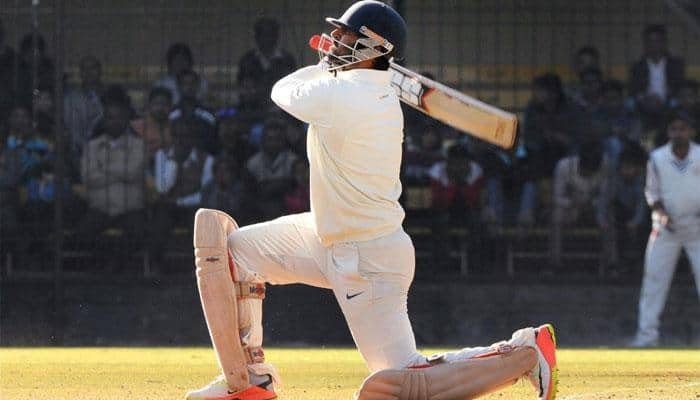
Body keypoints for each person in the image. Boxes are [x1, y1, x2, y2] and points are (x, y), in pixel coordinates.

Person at [185, 2, 558, 400]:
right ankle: (249, 381)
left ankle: (524, 353)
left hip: (368, 259)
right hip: (327, 235)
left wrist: (319, 68)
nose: (334, 43)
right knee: (234, 253)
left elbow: (281, 91)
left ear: (375, 48)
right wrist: (336, 67)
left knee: (403, 383)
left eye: (346, 37)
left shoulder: (346, 93)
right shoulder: (367, 89)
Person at [631, 111, 700, 347]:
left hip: (697, 228)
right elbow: (652, 193)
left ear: (691, 131)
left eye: (683, 129)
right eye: (674, 129)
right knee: (654, 281)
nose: (679, 133)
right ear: (669, 132)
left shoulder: (699, 155)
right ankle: (646, 336)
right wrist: (661, 213)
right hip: (666, 228)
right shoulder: (658, 158)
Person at [237, 17, 296, 113]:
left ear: (276, 37)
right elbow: (245, 91)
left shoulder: (287, 60)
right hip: (252, 111)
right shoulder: (247, 61)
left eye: (270, 35)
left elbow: (292, 89)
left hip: (283, 110)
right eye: (263, 35)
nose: (267, 39)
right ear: (256, 37)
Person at [64, 55, 104, 160]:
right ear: (80, 73)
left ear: (100, 71)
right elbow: (72, 130)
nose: (88, 72)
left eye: (92, 68)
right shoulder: (70, 99)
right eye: (84, 69)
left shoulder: (110, 95)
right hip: (78, 153)